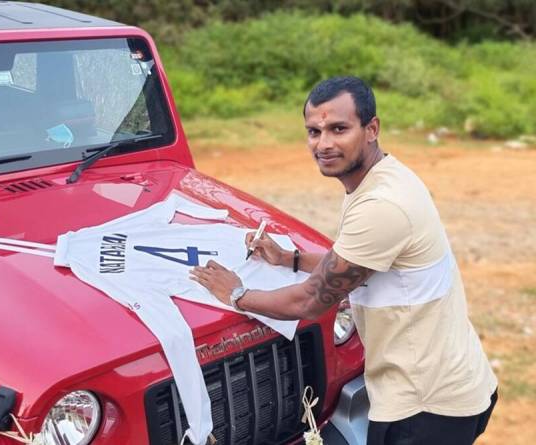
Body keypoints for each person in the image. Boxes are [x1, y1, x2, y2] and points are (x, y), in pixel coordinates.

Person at [190, 76, 498, 445]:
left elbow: (309, 300)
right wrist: (289, 257)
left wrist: (237, 294)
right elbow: (356, 262)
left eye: (339, 129)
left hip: (426, 406)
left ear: (372, 129)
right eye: (314, 132)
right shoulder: (384, 177)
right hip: (451, 380)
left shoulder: (381, 205)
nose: (324, 144)